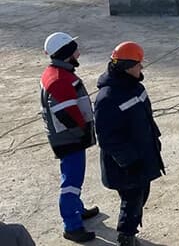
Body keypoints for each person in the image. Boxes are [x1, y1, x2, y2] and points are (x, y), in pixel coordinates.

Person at [94, 42, 165, 246]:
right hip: (127, 164)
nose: (141, 68)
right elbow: (107, 137)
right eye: (138, 65)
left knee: (141, 195)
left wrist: (155, 140)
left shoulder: (136, 87)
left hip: (143, 155)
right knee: (132, 199)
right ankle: (126, 236)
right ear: (126, 66)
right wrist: (129, 161)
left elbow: (147, 118)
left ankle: (129, 230)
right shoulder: (107, 98)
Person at [39, 32, 99, 243]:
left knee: (73, 177)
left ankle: (77, 209)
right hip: (69, 138)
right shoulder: (59, 79)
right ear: (66, 54)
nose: (79, 53)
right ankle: (72, 225)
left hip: (68, 137)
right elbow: (67, 113)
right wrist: (84, 129)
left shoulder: (55, 73)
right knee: (71, 182)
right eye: (75, 50)